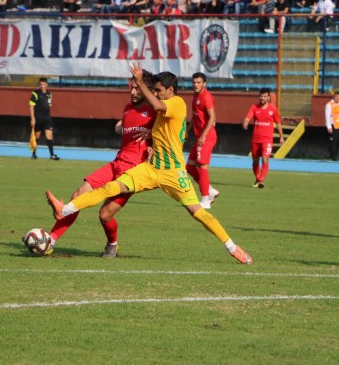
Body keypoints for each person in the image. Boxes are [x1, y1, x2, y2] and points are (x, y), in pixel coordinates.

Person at [47, 64, 253, 264]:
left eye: (159, 90)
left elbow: (156, 105)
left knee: (199, 214)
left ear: (170, 90)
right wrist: (149, 133)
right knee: (111, 186)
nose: (156, 93)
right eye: (153, 89)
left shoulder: (177, 103)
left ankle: (234, 249)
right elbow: (162, 125)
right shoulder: (160, 111)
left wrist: (139, 81)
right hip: (151, 168)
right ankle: (64, 210)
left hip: (173, 173)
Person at [45, 70, 156, 257]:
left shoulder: (156, 112)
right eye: (132, 87)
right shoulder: (128, 108)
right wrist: (120, 126)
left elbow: (175, 133)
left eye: (137, 88)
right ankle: (50, 241)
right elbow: (124, 126)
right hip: (116, 164)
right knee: (77, 194)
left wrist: (152, 137)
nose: (133, 92)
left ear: (147, 89)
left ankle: (112, 244)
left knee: (104, 215)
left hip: (132, 174)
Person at [185, 73, 220, 210]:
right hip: (199, 136)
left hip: (207, 137)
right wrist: (188, 130)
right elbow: (195, 117)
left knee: (201, 167)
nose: (195, 85)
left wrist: (204, 135)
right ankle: (209, 189)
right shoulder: (195, 97)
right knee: (189, 167)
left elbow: (212, 117)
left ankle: (205, 199)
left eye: (198, 82)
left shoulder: (206, 97)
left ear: (204, 83)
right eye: (194, 82)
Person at [242, 88, 284, 188]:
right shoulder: (254, 107)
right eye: (261, 96)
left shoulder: (273, 109)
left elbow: (278, 123)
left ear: (268, 97)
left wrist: (281, 137)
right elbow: (248, 116)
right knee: (255, 161)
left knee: (265, 159)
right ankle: (257, 178)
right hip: (255, 139)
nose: (262, 98)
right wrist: (245, 122)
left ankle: (261, 180)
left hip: (267, 139)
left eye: (265, 96)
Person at [29, 77, 60, 160]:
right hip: (38, 118)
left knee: (49, 135)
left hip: (47, 118)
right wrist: (32, 119)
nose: (42, 86)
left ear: (47, 85)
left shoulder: (49, 94)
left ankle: (52, 155)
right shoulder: (35, 93)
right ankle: (33, 154)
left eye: (43, 84)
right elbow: (31, 106)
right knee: (37, 136)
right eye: (41, 84)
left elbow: (49, 106)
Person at [325, 91, 339, 161]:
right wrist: (329, 126)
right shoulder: (329, 105)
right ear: (334, 97)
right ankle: (333, 156)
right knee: (334, 141)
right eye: (336, 97)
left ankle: (335, 153)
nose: (338, 98)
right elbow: (327, 116)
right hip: (333, 125)